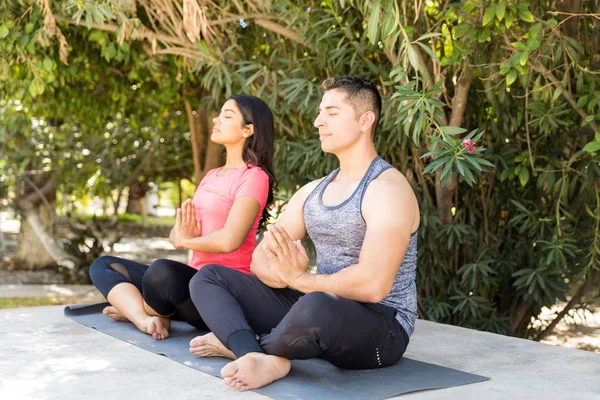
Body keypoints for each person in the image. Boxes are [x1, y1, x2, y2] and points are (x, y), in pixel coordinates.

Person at [187, 76, 420, 391]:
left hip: (383, 326)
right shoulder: (313, 191)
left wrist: (300, 280)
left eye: (332, 113)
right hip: (319, 303)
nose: (318, 121)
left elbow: (373, 286)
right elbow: (260, 259)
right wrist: (286, 274)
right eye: (320, 112)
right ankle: (255, 354)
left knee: (316, 305)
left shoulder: (387, 189)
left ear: (365, 120)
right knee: (210, 276)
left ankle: (248, 344)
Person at [88, 95, 276, 342]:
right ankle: (145, 318)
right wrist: (182, 237)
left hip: (220, 291)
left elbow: (229, 241)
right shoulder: (212, 175)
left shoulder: (254, 177)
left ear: (247, 130)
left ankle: (148, 308)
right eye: (219, 114)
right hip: (189, 280)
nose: (216, 119)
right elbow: (178, 234)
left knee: (161, 272)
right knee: (103, 265)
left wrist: (185, 241)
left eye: (227, 115)